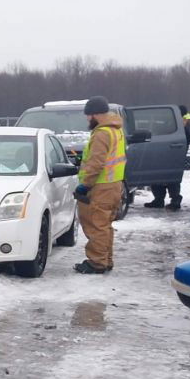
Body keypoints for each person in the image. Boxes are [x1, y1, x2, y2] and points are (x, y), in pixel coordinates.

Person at [73, 96, 125, 274]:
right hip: (113, 185)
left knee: (96, 225)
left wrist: (84, 185)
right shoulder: (115, 130)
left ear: (95, 114)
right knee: (104, 225)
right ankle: (105, 259)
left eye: (89, 115)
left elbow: (96, 163)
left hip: (101, 186)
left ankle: (97, 263)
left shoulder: (102, 133)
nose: (87, 119)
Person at [145, 105, 190, 210]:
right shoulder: (172, 121)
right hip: (163, 153)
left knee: (172, 178)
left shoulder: (188, 123)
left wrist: (184, 126)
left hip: (176, 154)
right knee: (157, 175)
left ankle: (175, 200)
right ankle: (158, 200)